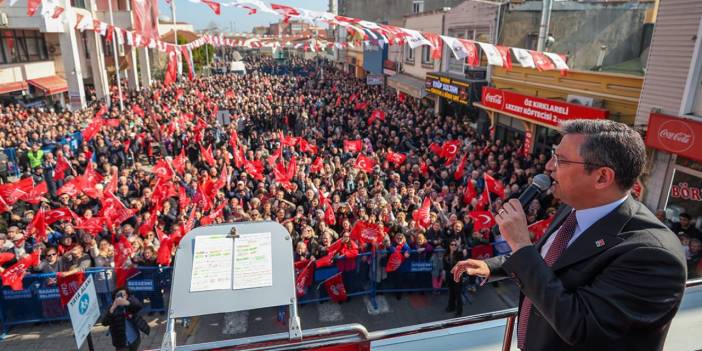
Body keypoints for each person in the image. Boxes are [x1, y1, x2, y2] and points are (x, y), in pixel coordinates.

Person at [451, 119, 687, 351]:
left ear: (602, 177)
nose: (549, 167)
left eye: (561, 160)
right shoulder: (572, 206)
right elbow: (552, 261)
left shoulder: (653, 255)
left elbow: (582, 327)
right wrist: (493, 266)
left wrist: (521, 244)